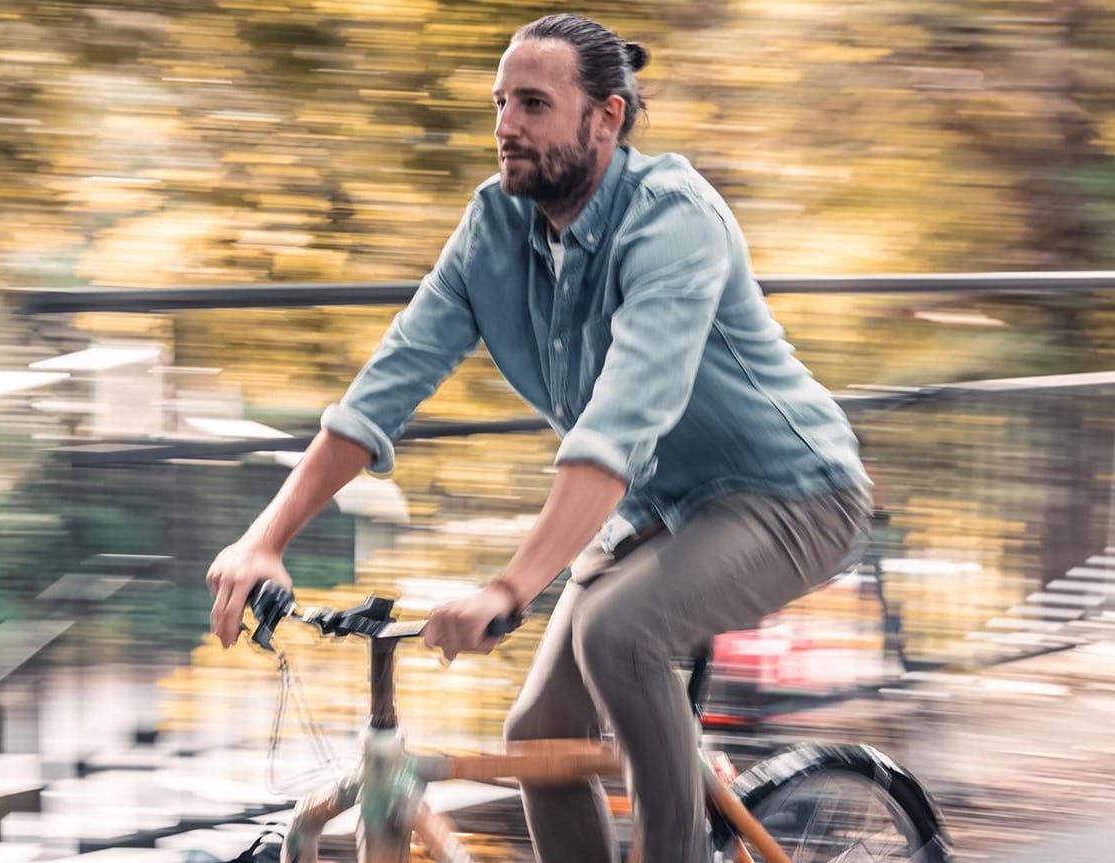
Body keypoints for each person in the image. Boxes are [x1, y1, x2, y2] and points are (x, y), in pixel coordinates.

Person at [206, 13, 871, 863]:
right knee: (539, 733)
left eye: (533, 104)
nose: (505, 126)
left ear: (608, 118)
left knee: (618, 634)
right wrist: (266, 537)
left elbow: (616, 428)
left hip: (791, 492)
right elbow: (388, 383)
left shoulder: (672, 220)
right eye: (499, 103)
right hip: (660, 508)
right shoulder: (495, 228)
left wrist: (509, 587)